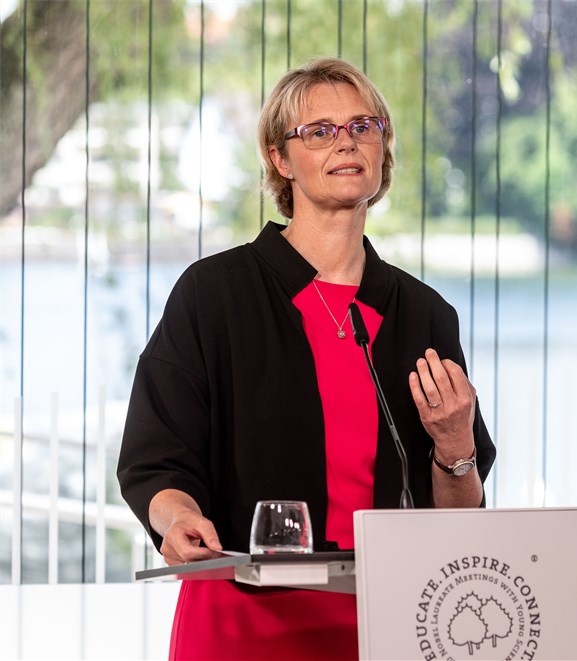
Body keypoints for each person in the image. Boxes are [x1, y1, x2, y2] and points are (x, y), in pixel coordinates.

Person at [117, 56, 496, 660]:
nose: (346, 142)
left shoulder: (425, 314)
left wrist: (456, 444)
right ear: (280, 159)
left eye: (363, 126)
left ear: (382, 147)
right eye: (319, 131)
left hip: (387, 622)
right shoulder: (214, 295)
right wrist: (177, 518)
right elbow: (154, 460)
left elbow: (456, 522)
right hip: (242, 623)